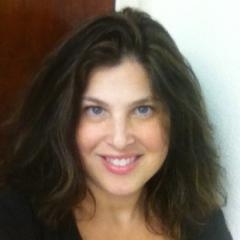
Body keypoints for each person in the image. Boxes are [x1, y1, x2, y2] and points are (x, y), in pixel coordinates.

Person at [0, 7, 233, 240]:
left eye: (143, 110)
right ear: (62, 119)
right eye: (96, 110)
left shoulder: (201, 220)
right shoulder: (16, 219)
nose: (120, 140)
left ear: (176, 119)